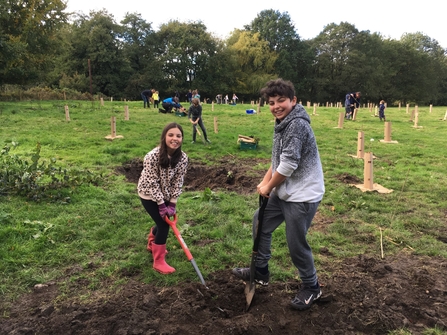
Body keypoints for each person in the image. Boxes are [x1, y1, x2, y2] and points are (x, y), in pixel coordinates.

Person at [232, 78, 325, 310]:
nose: (276, 106)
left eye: (281, 100)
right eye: (272, 102)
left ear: (293, 100)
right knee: (260, 221)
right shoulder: (282, 122)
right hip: (285, 190)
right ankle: (261, 270)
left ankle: (312, 287)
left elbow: (289, 165)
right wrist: (265, 183)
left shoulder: (297, 125)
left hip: (303, 195)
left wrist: (269, 186)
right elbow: (278, 161)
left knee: (296, 244)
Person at [137, 122, 189, 274]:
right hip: (147, 193)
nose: (175, 139)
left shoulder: (183, 158)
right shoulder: (152, 157)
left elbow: (178, 181)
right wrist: (161, 205)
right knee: (164, 225)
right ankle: (158, 261)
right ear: (164, 137)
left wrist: (172, 203)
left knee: (161, 222)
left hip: (165, 193)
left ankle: (152, 242)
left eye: (178, 136)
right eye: (171, 135)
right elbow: (152, 183)